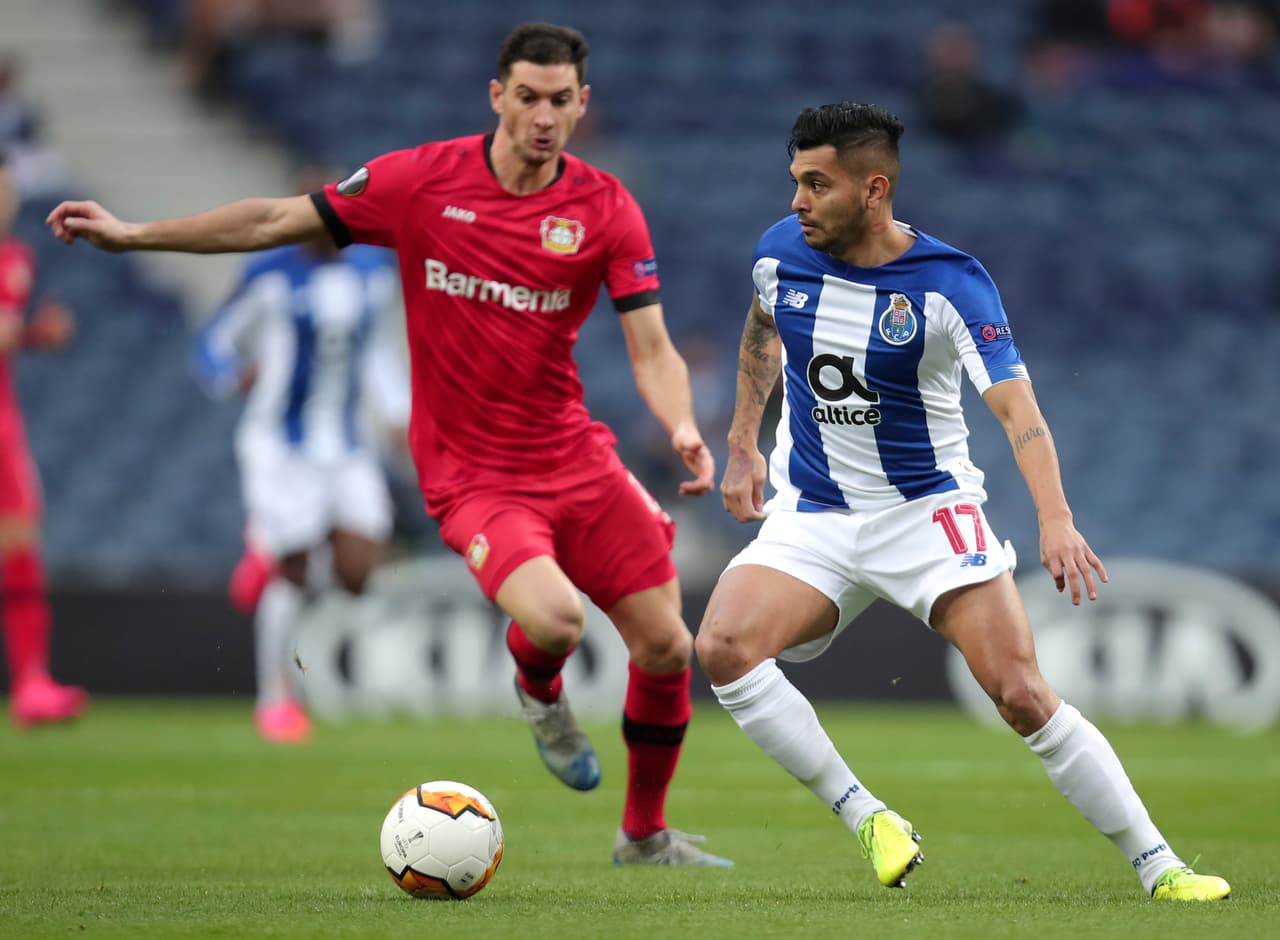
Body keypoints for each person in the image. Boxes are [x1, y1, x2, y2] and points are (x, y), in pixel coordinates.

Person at [48, 23, 730, 866]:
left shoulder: (604, 208)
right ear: (497, 96)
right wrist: (135, 233)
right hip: (473, 472)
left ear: (583, 103)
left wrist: (681, 424)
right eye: (528, 97)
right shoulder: (420, 181)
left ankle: (644, 834)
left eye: (561, 100)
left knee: (668, 646)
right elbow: (273, 219)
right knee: (554, 622)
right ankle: (540, 694)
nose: (545, 117)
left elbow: (653, 347)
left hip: (574, 453)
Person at [692, 101, 1230, 900]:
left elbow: (1019, 411)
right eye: (795, 182)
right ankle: (869, 816)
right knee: (723, 648)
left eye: (817, 184)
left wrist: (1055, 518)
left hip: (927, 516)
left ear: (874, 190)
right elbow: (763, 328)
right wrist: (743, 444)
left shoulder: (949, 285)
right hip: (815, 511)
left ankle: (1162, 868)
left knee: (1020, 694)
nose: (798, 201)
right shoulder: (781, 253)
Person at [192, 169, 409, 743]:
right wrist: (234, 375)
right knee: (291, 573)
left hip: (347, 446)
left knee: (359, 571)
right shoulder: (267, 275)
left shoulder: (373, 273)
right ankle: (274, 702)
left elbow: (379, 351)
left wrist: (397, 412)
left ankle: (264, 543)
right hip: (280, 445)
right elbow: (213, 344)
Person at [0, 152, 87, 727]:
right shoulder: (10, 262)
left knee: (20, 545)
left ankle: (33, 682)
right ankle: (31, 681)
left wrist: (30, 336)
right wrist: (27, 333)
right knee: (17, 542)